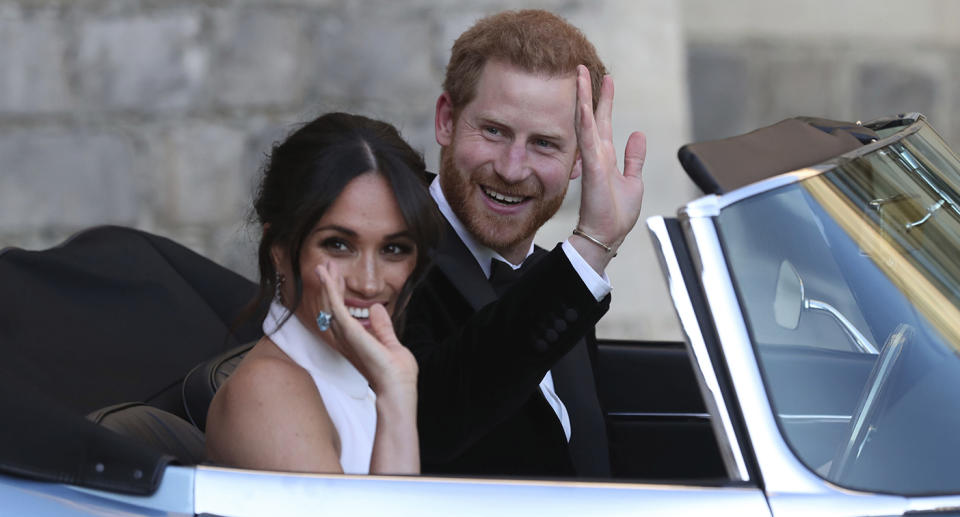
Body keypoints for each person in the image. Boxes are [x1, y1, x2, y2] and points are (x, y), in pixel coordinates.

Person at [402, 10, 646, 477]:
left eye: (545, 144)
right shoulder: (390, 255)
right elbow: (430, 426)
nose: (513, 169)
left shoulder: (555, 277)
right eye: (494, 131)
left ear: (580, 160)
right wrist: (593, 245)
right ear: (447, 121)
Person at [205, 112, 441, 475]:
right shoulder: (268, 391)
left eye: (393, 249)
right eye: (338, 245)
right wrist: (396, 397)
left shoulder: (357, 376)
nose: (368, 282)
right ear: (280, 250)